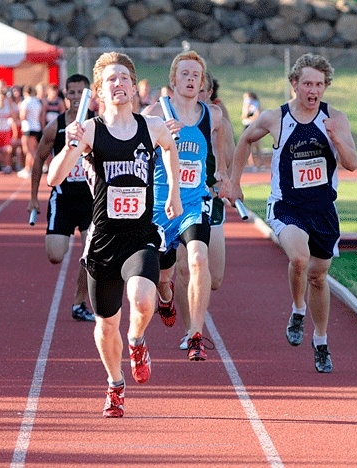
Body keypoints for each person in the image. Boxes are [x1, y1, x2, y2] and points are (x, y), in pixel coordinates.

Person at [47, 52, 182, 418]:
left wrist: (173, 192)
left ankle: (137, 340)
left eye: (124, 77)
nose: (119, 83)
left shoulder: (151, 126)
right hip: (103, 239)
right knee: (107, 325)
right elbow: (53, 178)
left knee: (141, 299)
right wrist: (70, 143)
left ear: (133, 85)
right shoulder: (89, 130)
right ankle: (115, 383)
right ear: (99, 90)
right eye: (111, 79)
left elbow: (170, 149)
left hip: (140, 235)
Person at [227, 53, 357, 373]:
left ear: (325, 86)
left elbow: (352, 163)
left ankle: (321, 341)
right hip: (287, 206)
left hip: (323, 209)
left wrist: (336, 139)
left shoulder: (335, 118)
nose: (314, 90)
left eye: (320, 84)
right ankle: (298, 310)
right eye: (308, 84)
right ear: (295, 85)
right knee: (299, 259)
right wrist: (234, 182)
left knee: (318, 275)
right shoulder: (277, 118)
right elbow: (245, 138)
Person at [142, 51, 229, 361]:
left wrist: (220, 170)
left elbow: (222, 136)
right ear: (173, 80)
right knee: (163, 276)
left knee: (197, 259)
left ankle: (195, 334)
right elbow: (137, 150)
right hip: (161, 206)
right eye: (185, 74)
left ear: (202, 81)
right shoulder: (154, 112)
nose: (191, 79)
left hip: (194, 202)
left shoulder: (212, 115)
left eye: (196, 75)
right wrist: (160, 136)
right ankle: (166, 297)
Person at [28, 74, 96, 323]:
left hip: (91, 201)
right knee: (55, 255)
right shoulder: (55, 127)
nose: (77, 98)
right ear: (65, 95)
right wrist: (33, 197)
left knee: (92, 253)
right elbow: (37, 159)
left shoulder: (97, 124)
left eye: (81, 93)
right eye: (72, 93)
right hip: (63, 199)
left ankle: (79, 302)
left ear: (89, 96)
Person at [174, 71, 235, 350]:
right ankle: (191, 331)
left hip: (211, 200)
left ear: (209, 93)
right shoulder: (171, 116)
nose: (195, 93)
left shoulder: (218, 121)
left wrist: (225, 180)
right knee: (185, 267)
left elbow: (230, 161)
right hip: (183, 202)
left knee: (215, 278)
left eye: (202, 89)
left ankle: (194, 315)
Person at [17, 85, 43, 179]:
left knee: (28, 150)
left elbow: (23, 116)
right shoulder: (37, 102)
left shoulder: (25, 102)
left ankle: (33, 168)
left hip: (28, 128)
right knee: (30, 150)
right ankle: (28, 168)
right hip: (36, 127)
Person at [241, 91, 264, 170]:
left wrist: (251, 117)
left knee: (255, 146)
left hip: (253, 126)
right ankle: (255, 163)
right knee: (251, 146)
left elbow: (257, 115)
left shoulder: (254, 104)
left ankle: (258, 163)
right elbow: (244, 116)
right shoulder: (248, 105)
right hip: (249, 125)